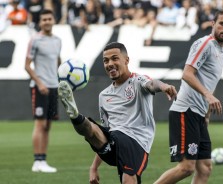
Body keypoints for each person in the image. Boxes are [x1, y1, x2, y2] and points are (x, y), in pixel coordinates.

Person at [58, 42, 177, 184]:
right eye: (106, 60)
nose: (110, 64)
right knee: (93, 130)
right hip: (115, 140)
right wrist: (94, 167)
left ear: (126, 60)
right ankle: (75, 116)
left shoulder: (138, 81)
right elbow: (106, 133)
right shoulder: (104, 95)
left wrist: (163, 86)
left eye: (115, 58)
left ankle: (76, 117)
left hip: (136, 141)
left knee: (128, 180)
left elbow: (152, 84)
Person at [154, 9, 223, 184]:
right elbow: (187, 74)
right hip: (185, 110)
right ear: (213, 24)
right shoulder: (205, 43)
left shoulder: (222, 53)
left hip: (199, 114)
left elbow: (208, 82)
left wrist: (206, 114)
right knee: (186, 167)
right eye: (222, 23)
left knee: (205, 168)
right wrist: (208, 96)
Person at [25, 9, 61, 173]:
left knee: (48, 126)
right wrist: (39, 83)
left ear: (54, 20)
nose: (47, 21)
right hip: (40, 88)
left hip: (54, 87)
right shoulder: (35, 40)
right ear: (40, 22)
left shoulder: (57, 40)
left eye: (49, 18)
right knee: (39, 124)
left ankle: (43, 160)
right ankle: (36, 161)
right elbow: (26, 65)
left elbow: (58, 62)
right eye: (44, 19)